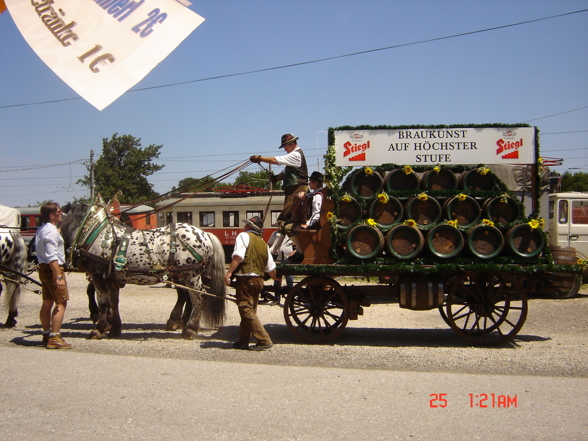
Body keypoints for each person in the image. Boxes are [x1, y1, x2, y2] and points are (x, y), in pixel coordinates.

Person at [224, 216, 281, 351]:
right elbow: (270, 267)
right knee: (250, 310)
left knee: (245, 309)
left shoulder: (243, 236)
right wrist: (276, 278)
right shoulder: (263, 243)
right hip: (259, 280)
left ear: (250, 227)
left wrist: (229, 273)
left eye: (246, 225)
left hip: (246, 278)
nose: (244, 227)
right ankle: (242, 341)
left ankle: (264, 340)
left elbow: (238, 256)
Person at [250, 134, 309, 254]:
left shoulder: (296, 154)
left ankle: (296, 251)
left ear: (292, 144)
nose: (285, 149)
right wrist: (276, 178)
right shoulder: (292, 157)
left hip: (298, 190)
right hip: (293, 191)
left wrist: (260, 158)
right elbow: (284, 173)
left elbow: (276, 160)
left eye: (285, 146)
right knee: (284, 221)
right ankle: (277, 249)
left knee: (284, 220)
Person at [36, 202, 72, 349]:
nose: (61, 213)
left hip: (43, 269)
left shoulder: (42, 230)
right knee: (61, 302)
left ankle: (46, 333)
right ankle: (55, 337)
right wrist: (58, 277)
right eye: (58, 212)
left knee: (47, 302)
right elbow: (52, 257)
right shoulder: (51, 232)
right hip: (53, 270)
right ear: (51, 215)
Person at [283, 171, 325, 261]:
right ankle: (299, 250)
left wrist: (307, 224)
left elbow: (317, 214)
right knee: (292, 226)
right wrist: (302, 194)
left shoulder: (318, 196)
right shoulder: (314, 194)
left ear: (316, 183)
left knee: (288, 228)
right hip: (312, 223)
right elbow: (307, 195)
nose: (309, 183)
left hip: (315, 224)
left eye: (310, 181)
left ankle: (302, 252)